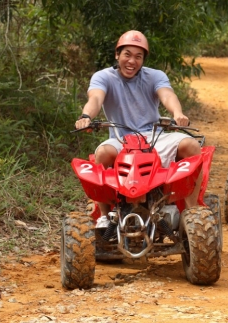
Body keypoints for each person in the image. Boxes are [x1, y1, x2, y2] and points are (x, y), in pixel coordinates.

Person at [74, 30, 203, 227]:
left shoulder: (154, 76)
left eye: (138, 56)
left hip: (154, 137)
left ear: (143, 59)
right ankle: (104, 216)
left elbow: (167, 95)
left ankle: (191, 215)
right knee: (101, 153)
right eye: (127, 54)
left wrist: (177, 113)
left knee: (192, 146)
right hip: (121, 139)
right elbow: (96, 98)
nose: (131, 61)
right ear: (117, 54)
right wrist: (86, 117)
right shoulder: (104, 77)